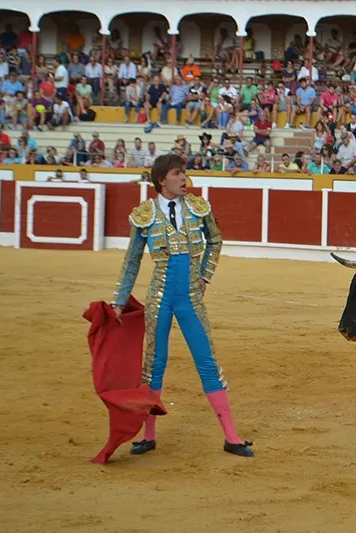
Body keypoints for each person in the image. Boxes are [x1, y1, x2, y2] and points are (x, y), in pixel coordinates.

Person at [109, 153, 253, 458]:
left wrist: (205, 275)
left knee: (207, 362)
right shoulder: (145, 215)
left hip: (190, 297)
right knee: (154, 365)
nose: (183, 178)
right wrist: (119, 302)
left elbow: (216, 241)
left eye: (183, 172)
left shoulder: (198, 207)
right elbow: (132, 261)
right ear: (162, 180)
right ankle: (148, 437)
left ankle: (232, 437)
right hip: (159, 297)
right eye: (177, 173)